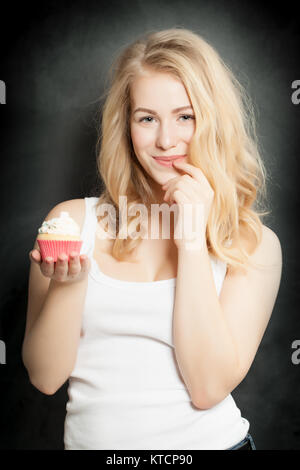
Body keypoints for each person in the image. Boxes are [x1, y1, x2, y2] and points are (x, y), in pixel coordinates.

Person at [22, 28, 282, 450]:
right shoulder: (72, 222)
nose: (165, 140)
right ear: (126, 126)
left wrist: (193, 241)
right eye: (147, 118)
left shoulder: (253, 244)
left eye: (186, 116)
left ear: (213, 122)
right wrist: (68, 285)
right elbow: (45, 378)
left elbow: (208, 387)